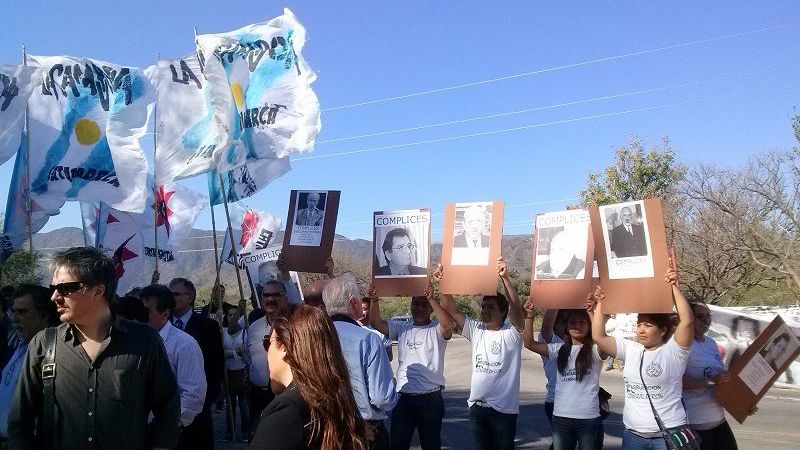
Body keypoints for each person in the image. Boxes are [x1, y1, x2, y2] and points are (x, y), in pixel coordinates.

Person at [8, 246, 180, 450]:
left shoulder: (143, 340)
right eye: (53, 288)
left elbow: (168, 407)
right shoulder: (44, 344)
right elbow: (21, 419)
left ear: (98, 290)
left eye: (64, 288)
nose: (54, 297)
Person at [591, 267, 694, 450]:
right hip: (633, 436)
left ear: (663, 330)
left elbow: (686, 321)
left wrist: (672, 287)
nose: (641, 330)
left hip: (668, 434)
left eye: (648, 325)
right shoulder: (631, 349)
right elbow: (599, 337)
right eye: (639, 324)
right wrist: (600, 304)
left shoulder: (674, 352)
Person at [249, 304, 370, 450]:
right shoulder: (333, 398)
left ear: (284, 348)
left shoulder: (287, 410)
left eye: (268, 342)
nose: (267, 351)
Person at [436, 257, 525, 450]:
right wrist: (442, 282)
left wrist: (505, 279)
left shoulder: (512, 333)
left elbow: (517, 308)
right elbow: (450, 307)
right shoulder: (476, 329)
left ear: (503, 312)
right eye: (483, 306)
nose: (484, 310)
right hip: (477, 409)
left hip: (503, 412)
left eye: (491, 307)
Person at [367, 281, 456, 450]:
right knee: (398, 445)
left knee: (431, 445)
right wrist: (374, 301)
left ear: (430, 308)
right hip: (403, 399)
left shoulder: (436, 330)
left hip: (430, 399)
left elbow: (448, 326)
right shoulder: (401, 328)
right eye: (416, 303)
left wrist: (432, 298)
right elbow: (376, 323)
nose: (420, 307)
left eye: (424, 304)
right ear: (411, 305)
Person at [322, 273, 397, 450]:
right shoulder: (368, 339)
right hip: (365, 431)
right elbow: (382, 397)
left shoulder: (317, 338)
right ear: (354, 303)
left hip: (328, 429)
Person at [524, 300, 605, 450]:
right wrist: (529, 316)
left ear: (589, 326)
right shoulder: (559, 349)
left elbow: (602, 339)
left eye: (582, 322)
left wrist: (591, 311)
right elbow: (529, 343)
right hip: (561, 419)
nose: (577, 325)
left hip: (588, 419)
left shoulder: (595, 351)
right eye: (572, 322)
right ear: (566, 327)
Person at [141, 284, 207, 432]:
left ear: (164, 313)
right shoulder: (136, 342)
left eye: (146, 312)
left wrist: (166, 427)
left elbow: (192, 395)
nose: (140, 316)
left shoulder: (184, 345)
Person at [168, 277, 225, 450]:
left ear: (191, 297)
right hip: (168, 406)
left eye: (176, 294)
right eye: (169, 294)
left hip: (199, 407)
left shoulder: (208, 327)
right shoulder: (162, 326)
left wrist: (210, 398)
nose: (172, 298)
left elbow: (216, 364)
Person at [0, 285, 58, 442]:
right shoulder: (18, 347)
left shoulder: (54, 355)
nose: (14, 318)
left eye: (23, 312)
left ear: (44, 315)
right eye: (13, 311)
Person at [682, 302, 739, 450]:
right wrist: (709, 381)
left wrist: (744, 403)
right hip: (695, 423)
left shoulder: (711, 343)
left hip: (718, 420)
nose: (706, 320)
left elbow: (721, 380)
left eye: (708, 316)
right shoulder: (681, 345)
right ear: (688, 317)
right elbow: (674, 381)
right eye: (700, 316)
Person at [245, 280, 289, 435]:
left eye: (276, 295)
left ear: (285, 297)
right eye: (266, 295)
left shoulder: (294, 326)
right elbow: (250, 357)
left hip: (285, 398)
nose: (270, 299)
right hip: (258, 396)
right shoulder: (253, 327)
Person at [223, 306, 250, 442]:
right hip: (228, 373)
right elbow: (222, 352)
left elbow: (245, 351)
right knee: (230, 404)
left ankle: (246, 432)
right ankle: (230, 432)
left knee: (244, 404)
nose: (231, 317)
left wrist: (233, 352)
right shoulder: (223, 332)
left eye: (234, 315)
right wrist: (234, 353)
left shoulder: (245, 333)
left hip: (241, 372)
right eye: (229, 315)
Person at [360, 296, 393, 362]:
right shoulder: (350, 328)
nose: (361, 312)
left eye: (364, 309)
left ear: (370, 310)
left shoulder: (381, 330)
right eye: (359, 308)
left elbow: (389, 357)